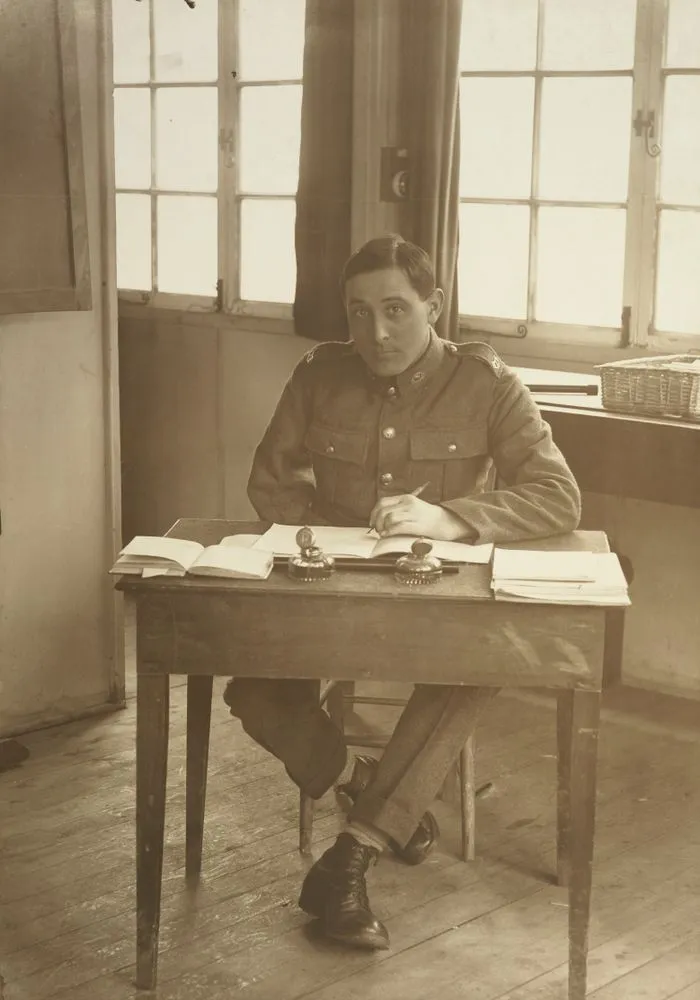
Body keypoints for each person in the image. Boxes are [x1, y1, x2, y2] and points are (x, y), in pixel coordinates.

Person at [224, 234, 581, 951]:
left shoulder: (486, 382)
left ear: (433, 307)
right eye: (358, 313)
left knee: (477, 671)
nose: (375, 333)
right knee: (253, 688)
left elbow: (557, 496)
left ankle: (352, 856)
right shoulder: (320, 374)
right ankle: (368, 781)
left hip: (433, 596)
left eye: (395, 310)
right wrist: (319, 534)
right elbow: (272, 479)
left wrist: (452, 517)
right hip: (332, 586)